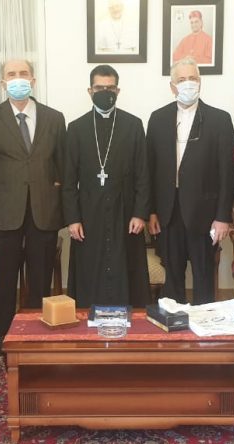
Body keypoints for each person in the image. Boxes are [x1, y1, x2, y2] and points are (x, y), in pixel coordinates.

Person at [0, 59, 66, 357]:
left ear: (33, 80)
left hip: (44, 211)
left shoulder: (54, 118)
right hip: (4, 212)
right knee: (4, 279)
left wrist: (62, 205)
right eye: (11, 75)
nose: (18, 79)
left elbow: (62, 167)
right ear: (3, 82)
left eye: (23, 74)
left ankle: (36, 335)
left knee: (40, 279)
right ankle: (0, 337)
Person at [146, 57, 234, 305]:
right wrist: (151, 211)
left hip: (204, 213)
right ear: (172, 86)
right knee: (172, 275)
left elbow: (227, 173)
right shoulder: (157, 118)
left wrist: (223, 217)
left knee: (204, 275)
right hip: (168, 212)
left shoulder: (219, 119)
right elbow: (150, 169)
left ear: (200, 82)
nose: (188, 84)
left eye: (193, 78)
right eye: (182, 79)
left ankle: (203, 324)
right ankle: (173, 322)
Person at [63, 65, 150, 308]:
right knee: (90, 269)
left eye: (110, 88)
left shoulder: (133, 125)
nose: (105, 92)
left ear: (118, 91)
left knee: (126, 268)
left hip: (126, 212)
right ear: (90, 91)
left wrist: (140, 213)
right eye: (99, 88)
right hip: (89, 214)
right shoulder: (76, 128)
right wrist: (73, 219)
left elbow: (143, 174)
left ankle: (128, 320)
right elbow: (68, 180)